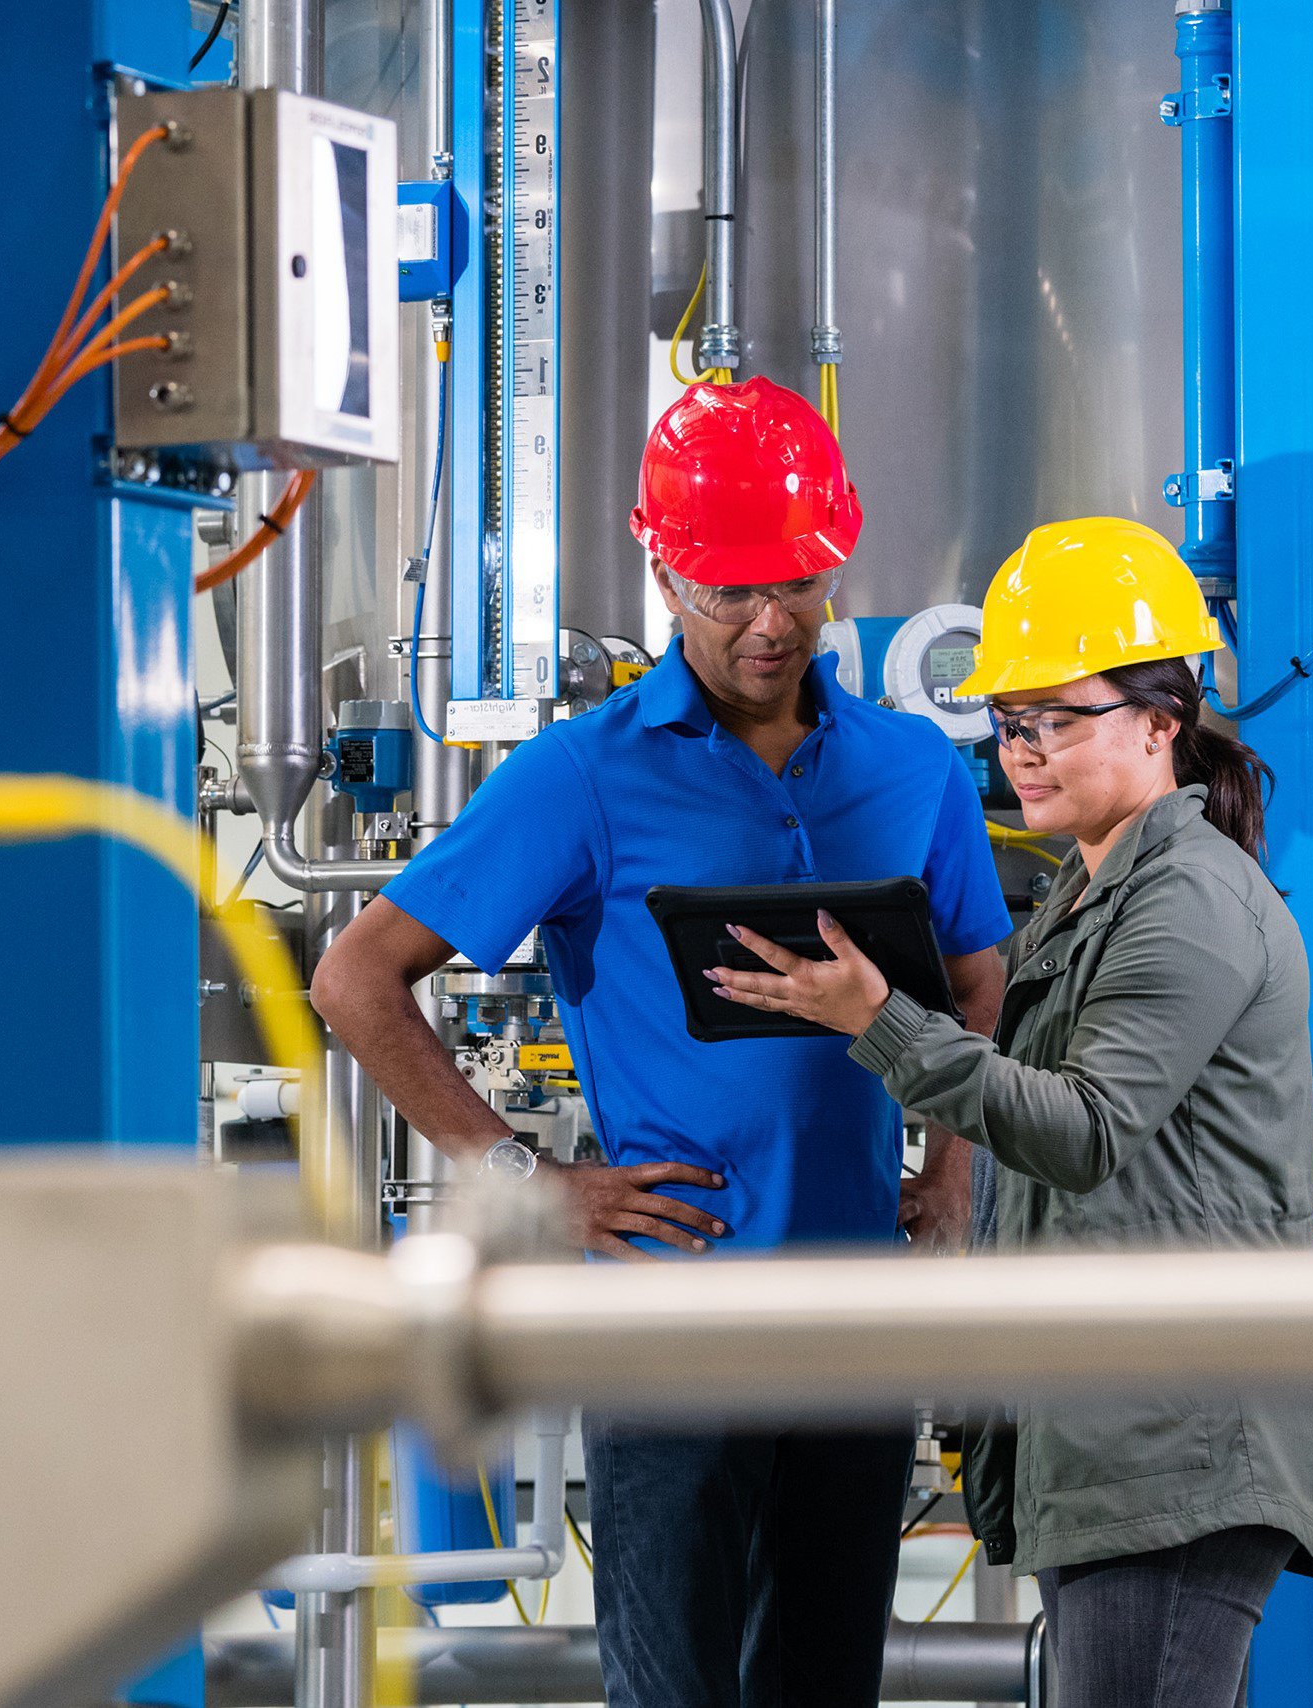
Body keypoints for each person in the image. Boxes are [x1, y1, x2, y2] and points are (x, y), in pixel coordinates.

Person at [311, 376, 1012, 1708]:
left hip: (855, 1311)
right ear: (662, 570)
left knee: (823, 1690)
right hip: (666, 1319)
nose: (768, 624)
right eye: (727, 591)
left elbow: (980, 979)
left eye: (799, 586)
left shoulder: (912, 771)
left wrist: (954, 1176)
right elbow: (357, 981)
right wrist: (521, 1182)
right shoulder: (582, 775)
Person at [703, 515, 1313, 1708]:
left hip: (1172, 1439)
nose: (1023, 753)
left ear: (1160, 722)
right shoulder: (1087, 891)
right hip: (1112, 1432)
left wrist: (876, 1020)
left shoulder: (1191, 898)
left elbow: (1082, 1126)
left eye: (1057, 718)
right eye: (1009, 724)